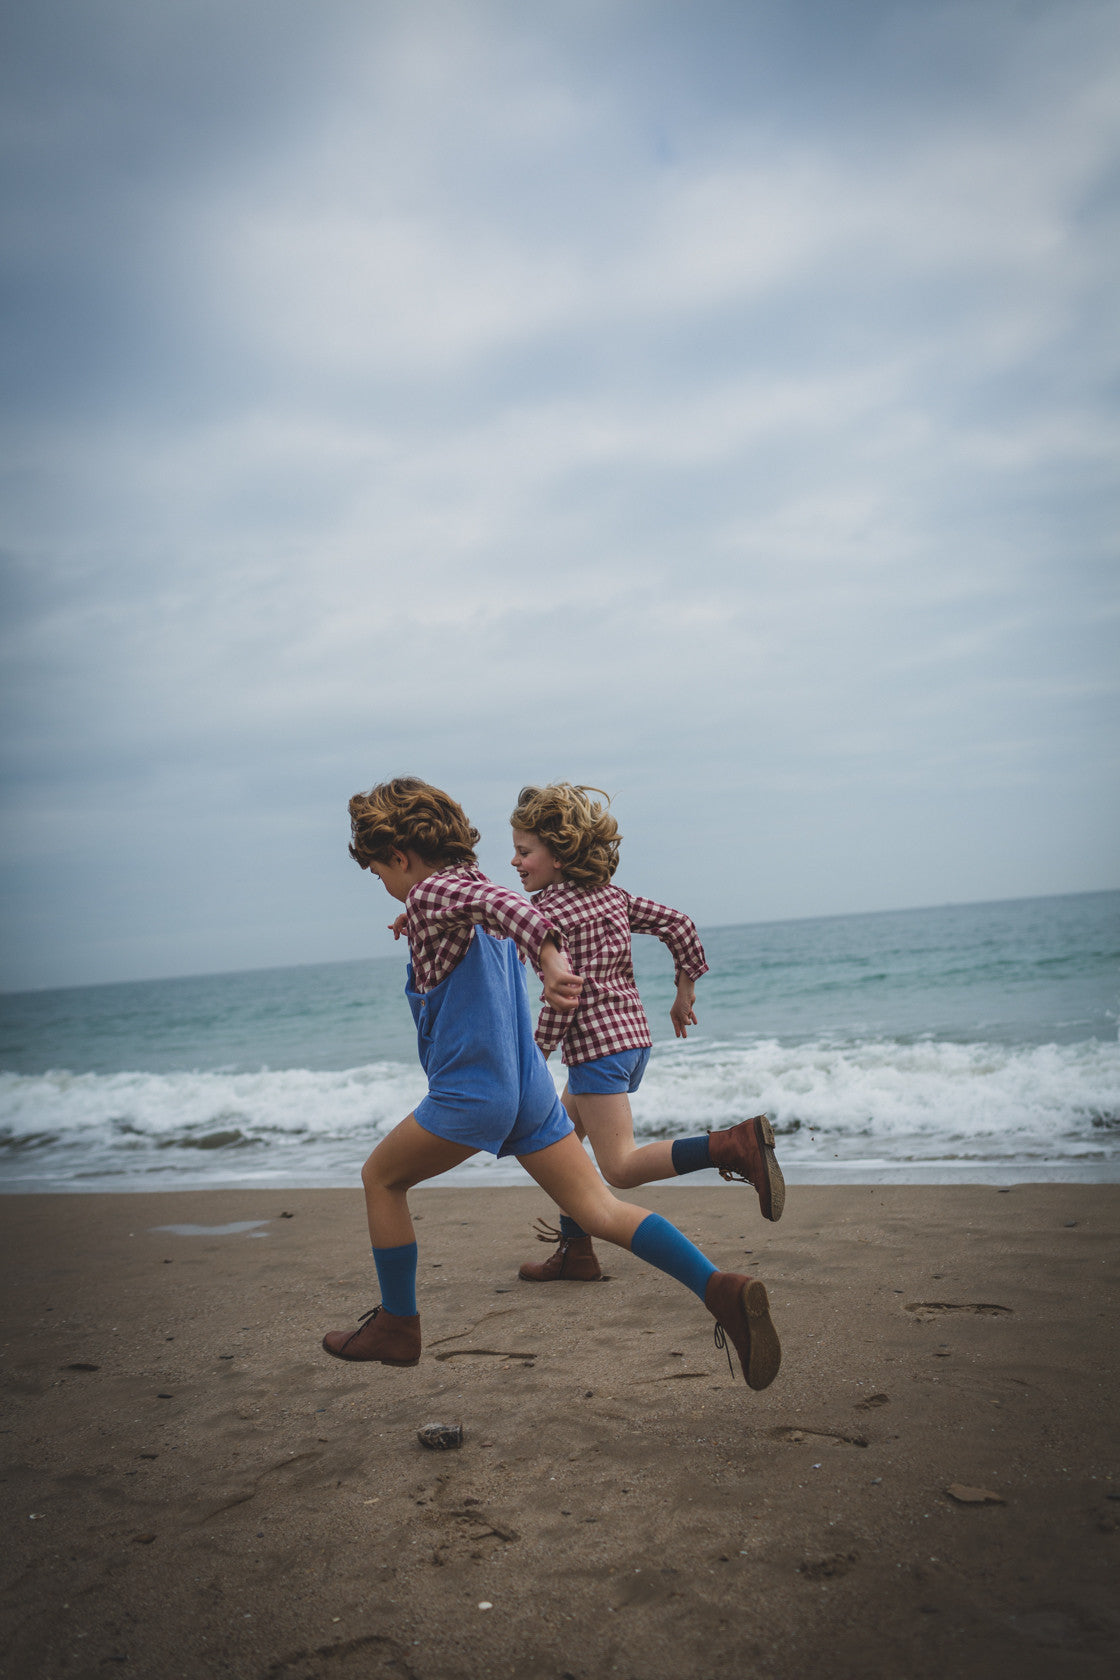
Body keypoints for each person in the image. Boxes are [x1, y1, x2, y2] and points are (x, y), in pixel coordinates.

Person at [321, 776, 781, 1392]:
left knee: (380, 1177)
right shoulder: (470, 889)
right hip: (529, 1095)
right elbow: (492, 907)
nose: (387, 887)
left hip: (472, 1096)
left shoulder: (441, 895)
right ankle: (719, 1288)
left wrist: (552, 955)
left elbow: (507, 914)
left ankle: (398, 1325)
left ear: (400, 856)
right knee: (601, 1206)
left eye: (381, 873)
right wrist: (422, 919)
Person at [509, 783, 784, 1285]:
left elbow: (564, 995)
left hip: (596, 1049)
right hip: (632, 1041)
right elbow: (678, 924)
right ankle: (577, 1252)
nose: (514, 861)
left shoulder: (547, 915)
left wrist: (535, 1053)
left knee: (620, 1167)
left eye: (524, 851)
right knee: (563, 1143)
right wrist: (685, 991)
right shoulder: (613, 898)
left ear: (560, 855)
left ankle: (731, 1146)